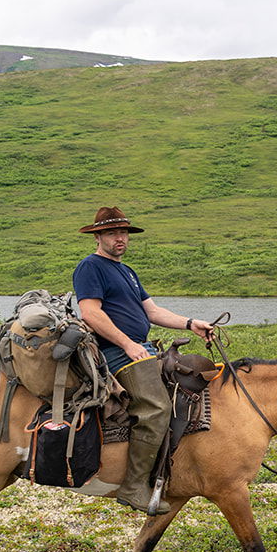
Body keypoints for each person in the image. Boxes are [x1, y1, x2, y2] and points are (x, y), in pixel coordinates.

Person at [72, 206, 210, 514]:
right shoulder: (90, 267)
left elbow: (152, 312)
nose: (120, 239)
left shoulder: (127, 271)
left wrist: (191, 323)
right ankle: (133, 487)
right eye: (112, 233)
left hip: (139, 347)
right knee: (157, 407)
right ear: (97, 236)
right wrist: (128, 344)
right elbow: (91, 313)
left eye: (123, 233)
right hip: (114, 352)